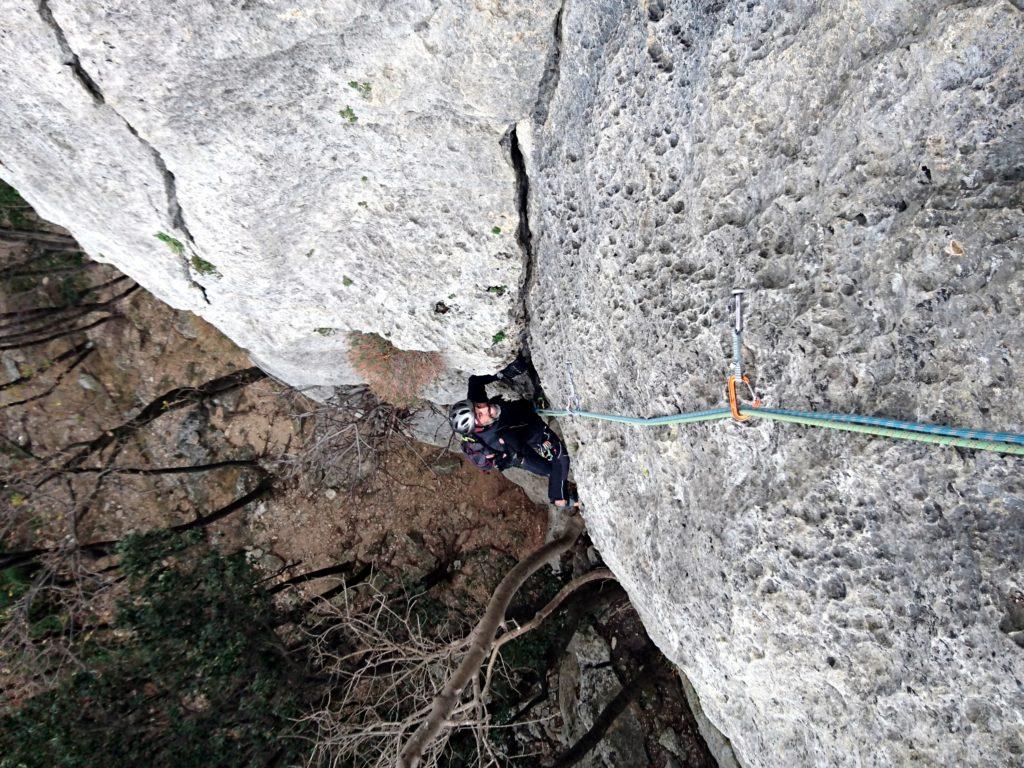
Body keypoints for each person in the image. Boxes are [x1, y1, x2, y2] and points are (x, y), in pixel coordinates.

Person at [449, 355, 576, 508]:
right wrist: (557, 491)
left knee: (551, 468)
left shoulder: (477, 404)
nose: (483, 409)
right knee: (555, 462)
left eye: (478, 407)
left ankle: (535, 404)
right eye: (479, 415)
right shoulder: (500, 437)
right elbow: (523, 454)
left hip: (519, 414)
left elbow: (475, 381)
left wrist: (505, 372)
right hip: (525, 437)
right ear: (479, 427)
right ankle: (563, 500)